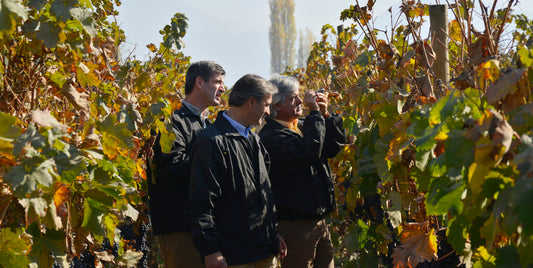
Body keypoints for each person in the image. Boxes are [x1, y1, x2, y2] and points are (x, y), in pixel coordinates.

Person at [186, 74, 287, 268]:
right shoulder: (211, 142)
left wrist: (272, 234)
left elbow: (263, 195)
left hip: (264, 252)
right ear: (251, 102)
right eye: (266, 105)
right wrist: (211, 250)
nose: (268, 112)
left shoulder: (254, 140)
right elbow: (202, 202)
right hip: (235, 256)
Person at [258, 74, 346, 268]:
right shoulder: (271, 137)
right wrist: (315, 115)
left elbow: (334, 146)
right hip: (296, 227)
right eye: (293, 98)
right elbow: (309, 153)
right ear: (277, 105)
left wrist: (325, 116)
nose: (300, 101)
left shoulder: (303, 126)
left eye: (299, 95)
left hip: (319, 221)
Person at [146, 61, 226, 268]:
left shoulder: (206, 123)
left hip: (203, 228)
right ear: (199, 82)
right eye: (217, 82)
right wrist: (216, 159)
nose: (223, 88)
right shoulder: (171, 120)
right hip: (180, 227)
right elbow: (171, 169)